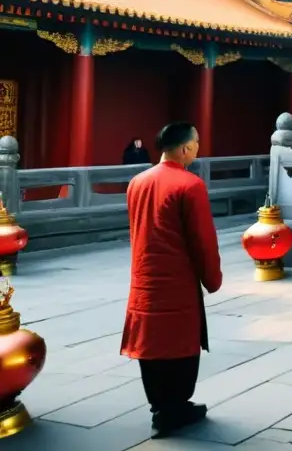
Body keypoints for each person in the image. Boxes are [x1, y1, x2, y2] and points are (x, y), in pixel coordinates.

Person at [121, 122, 223, 439]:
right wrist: (213, 278)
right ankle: (176, 408)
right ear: (183, 149)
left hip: (143, 281)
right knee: (180, 346)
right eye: (196, 144)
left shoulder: (137, 182)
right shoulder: (190, 185)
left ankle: (160, 408)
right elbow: (202, 240)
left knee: (150, 347)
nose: (197, 149)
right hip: (177, 282)